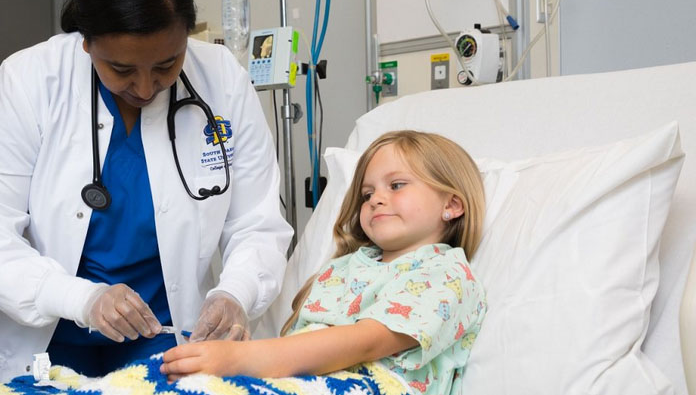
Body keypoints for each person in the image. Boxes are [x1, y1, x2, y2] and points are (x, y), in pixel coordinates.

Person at [0, 0, 292, 383]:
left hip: (164, 336)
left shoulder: (222, 81)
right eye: (121, 68)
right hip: (42, 339)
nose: (147, 88)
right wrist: (84, 298)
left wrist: (235, 292)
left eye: (168, 63)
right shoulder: (28, 82)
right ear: (86, 41)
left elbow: (257, 223)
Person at [160, 130, 488, 395]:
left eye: (397, 185)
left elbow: (367, 342)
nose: (376, 198)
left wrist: (246, 360)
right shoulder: (342, 268)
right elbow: (300, 342)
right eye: (366, 193)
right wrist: (243, 354)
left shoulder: (446, 273)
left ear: (453, 204)